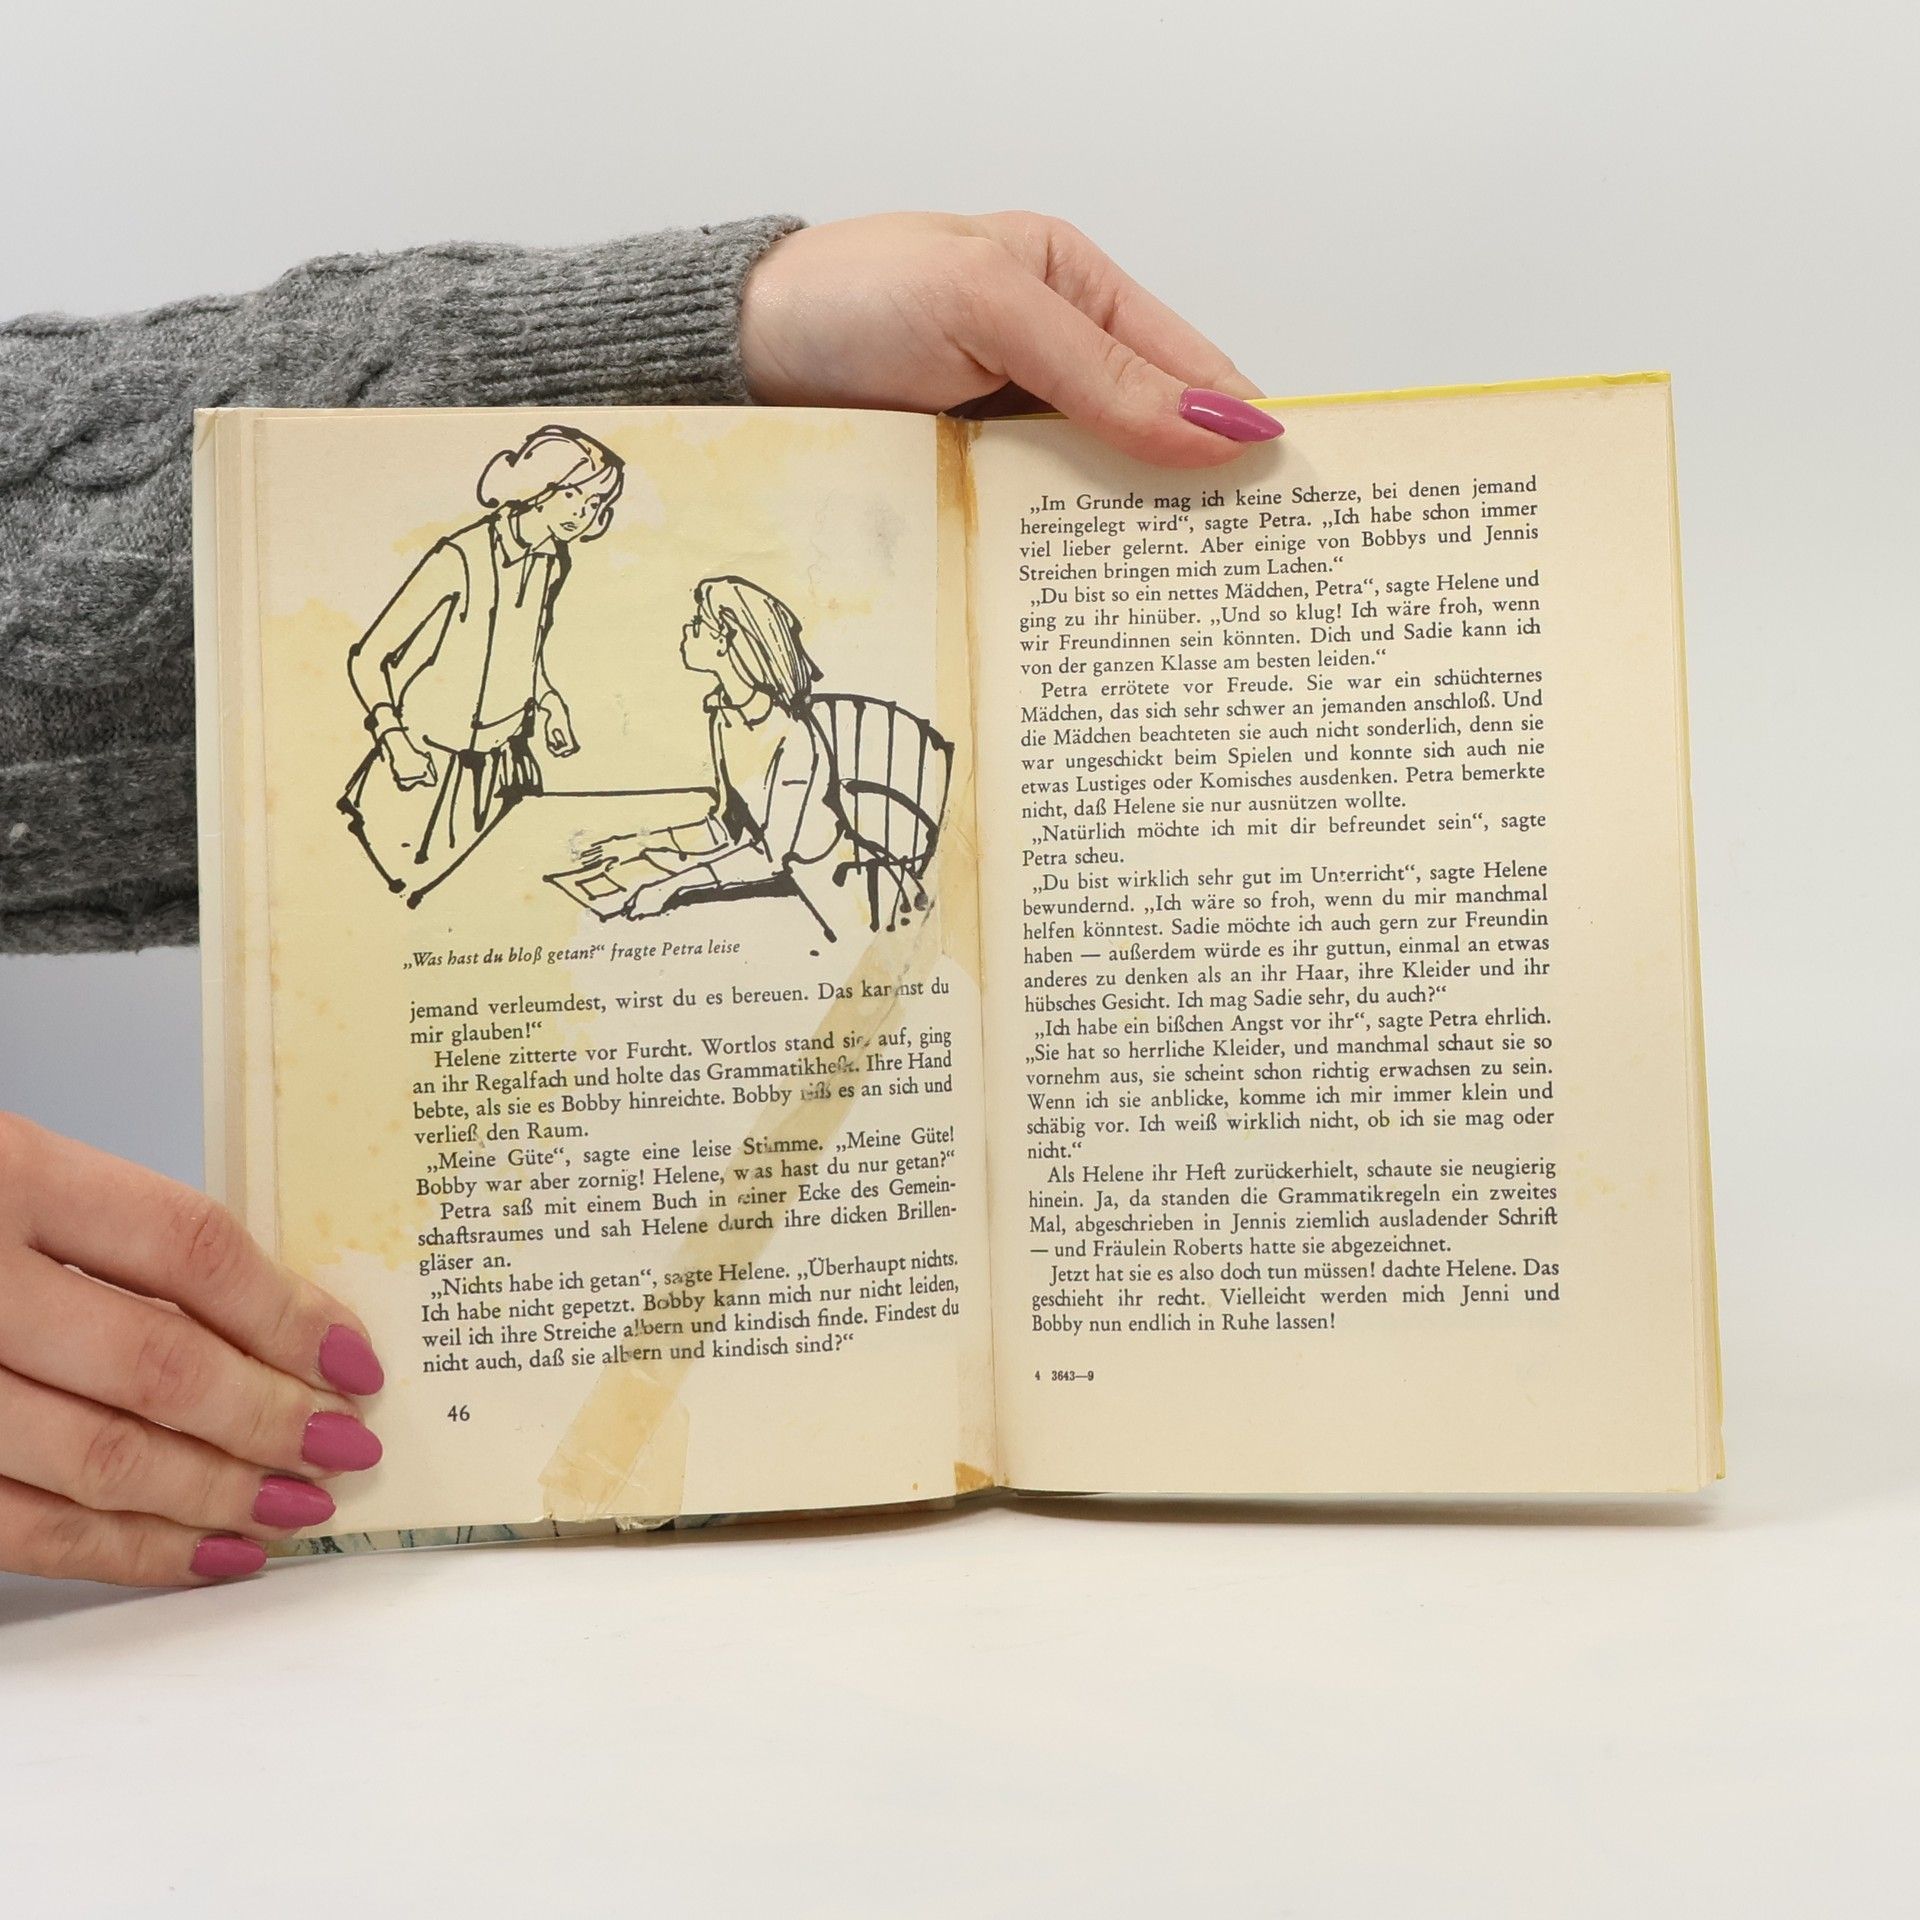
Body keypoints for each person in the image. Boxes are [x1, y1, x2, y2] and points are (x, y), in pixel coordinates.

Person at [0, 209, 1283, 1588]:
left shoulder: (646, 641)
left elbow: (756, 839)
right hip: (439, 786)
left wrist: (724, 341)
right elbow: (379, 658)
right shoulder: (487, 568)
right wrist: (405, 742)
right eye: (581, 510)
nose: (592, 536)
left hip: (728, 895)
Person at [341, 424, 624, 904]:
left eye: (596, 503)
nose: (583, 512)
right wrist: (394, 740)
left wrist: (547, 700)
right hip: (427, 768)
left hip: (503, 766)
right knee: (406, 903)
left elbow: (525, 649)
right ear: (540, 484)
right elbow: (368, 659)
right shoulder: (460, 556)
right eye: (574, 493)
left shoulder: (554, 561)